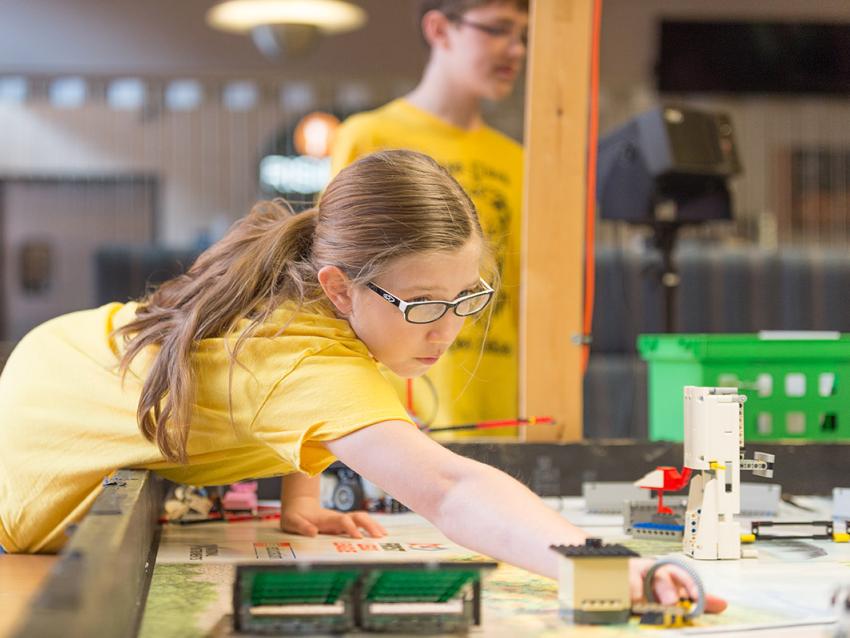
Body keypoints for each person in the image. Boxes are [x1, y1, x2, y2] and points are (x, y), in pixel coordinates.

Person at [0, 150, 724, 612]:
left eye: (466, 297)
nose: (446, 330)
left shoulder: (300, 288)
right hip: (41, 460)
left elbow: (261, 396)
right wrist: (597, 565)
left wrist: (303, 494)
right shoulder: (306, 363)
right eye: (423, 305)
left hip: (69, 354)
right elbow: (451, 489)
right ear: (341, 289)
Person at [331, 0, 528, 432]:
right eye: (497, 29)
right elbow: (336, 282)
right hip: (392, 407)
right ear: (440, 29)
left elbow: (520, 290)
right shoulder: (370, 136)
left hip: (494, 400)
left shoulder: (516, 160)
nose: (516, 50)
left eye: (521, 36)